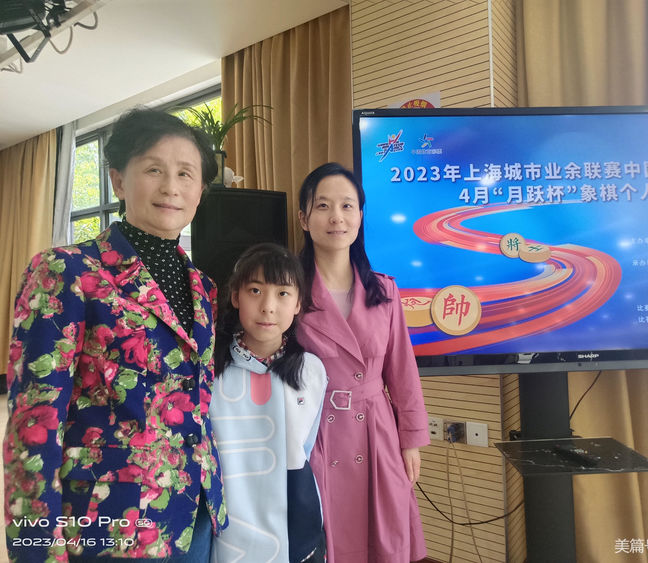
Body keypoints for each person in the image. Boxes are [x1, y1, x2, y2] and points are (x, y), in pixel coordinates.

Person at [3, 107, 227, 562]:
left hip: (196, 511)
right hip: (110, 521)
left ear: (201, 190)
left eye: (186, 174)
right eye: (154, 169)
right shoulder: (66, 270)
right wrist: (35, 548)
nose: (171, 187)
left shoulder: (203, 288)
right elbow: (34, 418)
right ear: (118, 181)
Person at [295, 162, 430, 562]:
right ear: (304, 218)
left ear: (360, 215)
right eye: (323, 206)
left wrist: (411, 440)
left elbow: (403, 373)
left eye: (347, 206)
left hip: (376, 431)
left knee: (381, 537)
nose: (336, 217)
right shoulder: (288, 290)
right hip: (315, 433)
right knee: (324, 537)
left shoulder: (384, 291)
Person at [209, 242, 327, 563]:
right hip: (229, 520)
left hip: (295, 520)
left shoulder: (311, 371)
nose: (268, 307)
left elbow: (306, 448)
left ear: (298, 303)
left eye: (283, 293)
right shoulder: (210, 369)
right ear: (236, 296)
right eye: (256, 291)